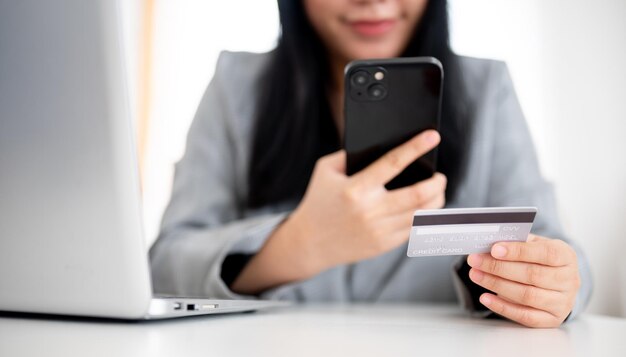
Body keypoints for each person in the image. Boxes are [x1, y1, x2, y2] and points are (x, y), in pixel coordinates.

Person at [150, 0, 592, 328]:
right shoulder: (236, 86)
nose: (373, 1)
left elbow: (562, 258)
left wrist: (554, 285)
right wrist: (296, 246)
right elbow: (163, 266)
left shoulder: (487, 91)